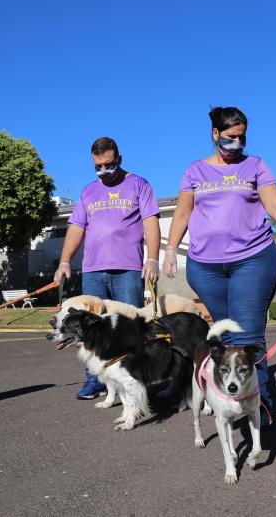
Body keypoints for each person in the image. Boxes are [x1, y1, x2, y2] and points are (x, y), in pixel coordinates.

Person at [162, 107, 276, 426]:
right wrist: (169, 251)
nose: (238, 143)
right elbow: (181, 213)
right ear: (215, 134)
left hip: (253, 259)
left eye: (242, 137)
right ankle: (232, 398)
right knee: (226, 336)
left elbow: (274, 203)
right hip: (205, 267)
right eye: (231, 137)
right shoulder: (195, 171)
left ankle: (259, 404)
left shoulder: (255, 166)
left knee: (246, 334)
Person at [55, 136, 160, 399]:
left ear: (119, 159)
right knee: (90, 330)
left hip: (127, 270)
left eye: (109, 164)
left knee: (129, 329)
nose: (104, 171)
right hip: (93, 271)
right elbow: (76, 228)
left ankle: (135, 381)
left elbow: (150, 222)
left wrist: (153, 258)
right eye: (98, 166)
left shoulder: (139, 184)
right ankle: (95, 380)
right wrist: (65, 261)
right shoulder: (89, 192)